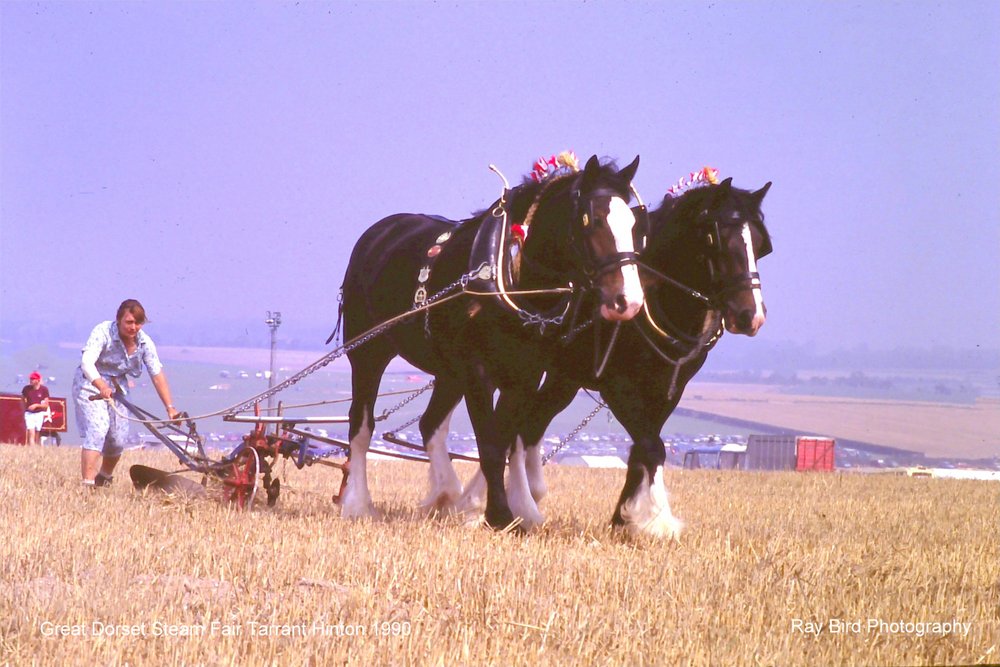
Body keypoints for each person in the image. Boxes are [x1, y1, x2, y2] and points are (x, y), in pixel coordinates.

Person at [72, 299, 181, 487]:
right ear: (119, 320)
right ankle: (88, 485)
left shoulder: (144, 343)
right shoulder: (103, 331)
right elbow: (87, 363)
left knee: (117, 439)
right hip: (90, 384)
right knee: (98, 429)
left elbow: (156, 374)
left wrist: (170, 408)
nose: (134, 327)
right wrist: (101, 385)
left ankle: (104, 478)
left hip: (118, 388)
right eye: (129, 322)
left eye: (138, 323)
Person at [21, 371, 50, 446]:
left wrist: (36, 405)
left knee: (37, 432)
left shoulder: (44, 390)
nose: (31, 380)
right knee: (31, 432)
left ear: (38, 380)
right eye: (30, 379)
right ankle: (31, 448)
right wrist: (25, 408)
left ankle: (36, 448)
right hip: (29, 414)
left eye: (33, 379)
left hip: (39, 414)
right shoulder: (26, 389)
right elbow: (22, 399)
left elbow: (46, 405)